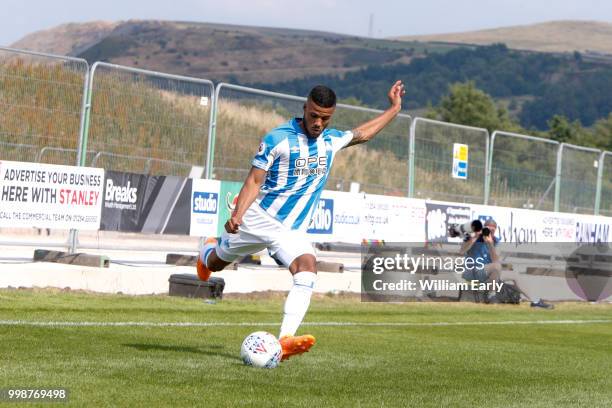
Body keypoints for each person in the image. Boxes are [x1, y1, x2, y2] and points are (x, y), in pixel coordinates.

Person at [196, 81, 406, 360]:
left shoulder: (331, 141)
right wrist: (237, 215)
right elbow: (254, 180)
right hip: (258, 220)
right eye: (314, 115)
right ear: (304, 108)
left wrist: (394, 108)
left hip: (291, 231)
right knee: (217, 263)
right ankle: (207, 252)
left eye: (325, 118)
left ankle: (284, 341)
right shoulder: (277, 139)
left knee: (307, 269)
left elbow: (363, 133)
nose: (318, 122)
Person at [460, 219, 553, 308]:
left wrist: (490, 245)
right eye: (487, 230)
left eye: (492, 231)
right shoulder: (473, 237)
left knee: (514, 275)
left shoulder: (495, 241)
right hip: (472, 272)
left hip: (487, 273)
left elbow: (496, 261)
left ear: (495, 231)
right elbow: (462, 251)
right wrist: (475, 237)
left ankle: (535, 301)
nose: (489, 233)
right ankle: (490, 295)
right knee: (496, 267)